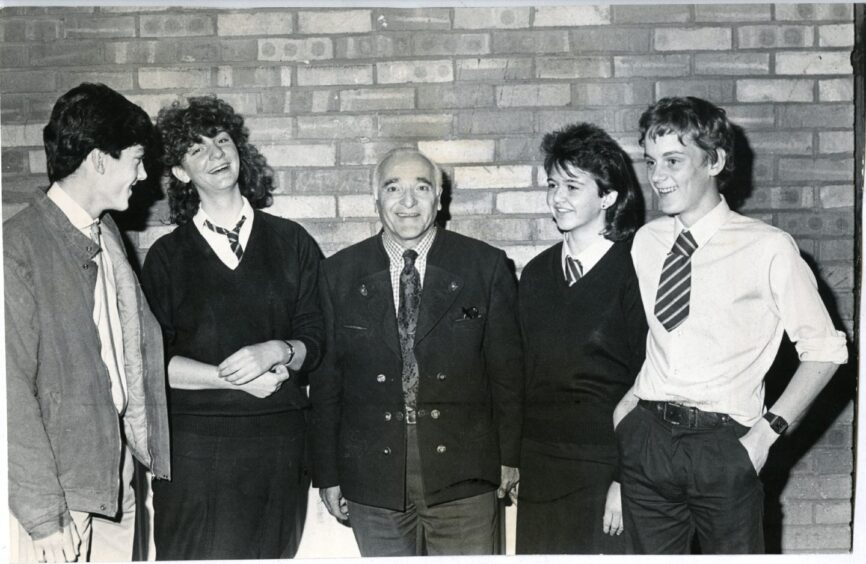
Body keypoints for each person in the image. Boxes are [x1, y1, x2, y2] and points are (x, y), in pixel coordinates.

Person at [613, 96, 848, 554]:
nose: (657, 177)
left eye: (674, 161)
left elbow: (826, 351)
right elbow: (664, 336)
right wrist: (627, 413)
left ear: (716, 160)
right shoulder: (647, 241)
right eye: (651, 161)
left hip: (724, 446)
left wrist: (764, 436)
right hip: (648, 440)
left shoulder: (768, 248)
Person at [310, 148, 523, 556]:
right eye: (394, 188)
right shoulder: (338, 274)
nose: (407, 202)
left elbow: (507, 374)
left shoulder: (485, 266)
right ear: (376, 198)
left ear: (439, 200)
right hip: (373, 471)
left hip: (465, 469)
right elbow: (326, 384)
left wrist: (509, 458)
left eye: (421, 188)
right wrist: (328, 473)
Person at [140, 96, 324, 560]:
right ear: (180, 173)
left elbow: (317, 341)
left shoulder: (292, 241)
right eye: (197, 149)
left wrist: (277, 350)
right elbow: (149, 362)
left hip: (278, 447)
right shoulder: (167, 255)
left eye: (222, 141)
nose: (216, 154)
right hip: (194, 451)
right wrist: (233, 376)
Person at [4, 83, 171, 562]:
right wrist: (41, 516)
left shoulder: (105, 233)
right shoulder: (16, 250)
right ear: (99, 159)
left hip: (111, 474)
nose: (143, 177)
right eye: (136, 160)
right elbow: (8, 395)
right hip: (57, 491)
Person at [516, 123, 646, 554]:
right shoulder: (535, 274)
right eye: (553, 185)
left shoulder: (636, 270)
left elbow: (651, 382)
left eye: (573, 186)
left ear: (608, 196)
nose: (557, 198)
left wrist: (625, 480)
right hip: (541, 468)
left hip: (605, 469)